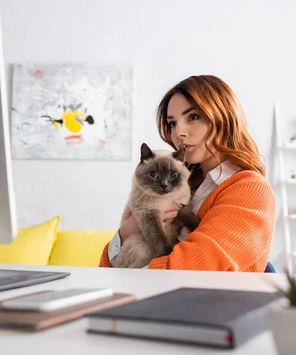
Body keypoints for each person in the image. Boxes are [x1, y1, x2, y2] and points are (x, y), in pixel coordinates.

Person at [99, 75, 276, 272]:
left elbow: (191, 269)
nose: (179, 132)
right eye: (172, 123)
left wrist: (124, 278)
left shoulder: (249, 189)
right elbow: (107, 268)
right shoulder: (182, 181)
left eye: (193, 117)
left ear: (223, 118)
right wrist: (125, 233)